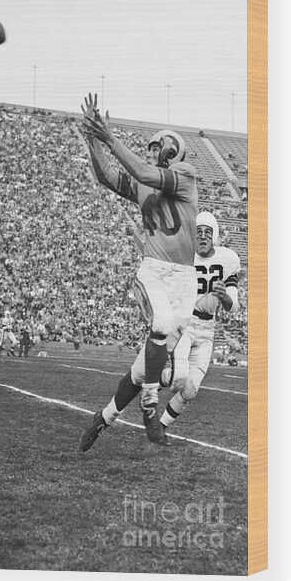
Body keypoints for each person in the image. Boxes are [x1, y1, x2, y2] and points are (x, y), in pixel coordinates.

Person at [79, 93, 198, 447]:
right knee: (160, 326)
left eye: (155, 144)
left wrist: (109, 138)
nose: (148, 149)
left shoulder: (185, 175)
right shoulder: (148, 181)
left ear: (173, 150)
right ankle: (149, 406)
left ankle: (105, 417)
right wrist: (93, 140)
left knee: (145, 369)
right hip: (154, 269)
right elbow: (107, 176)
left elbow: (145, 172)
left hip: (184, 280)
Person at [159, 211, 241, 431]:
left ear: (214, 236)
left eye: (207, 232)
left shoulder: (227, 260)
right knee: (179, 378)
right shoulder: (184, 256)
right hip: (185, 325)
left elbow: (234, 307)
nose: (203, 237)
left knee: (191, 389)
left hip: (207, 331)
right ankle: (153, 380)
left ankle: (160, 427)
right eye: (198, 232)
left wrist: (224, 296)